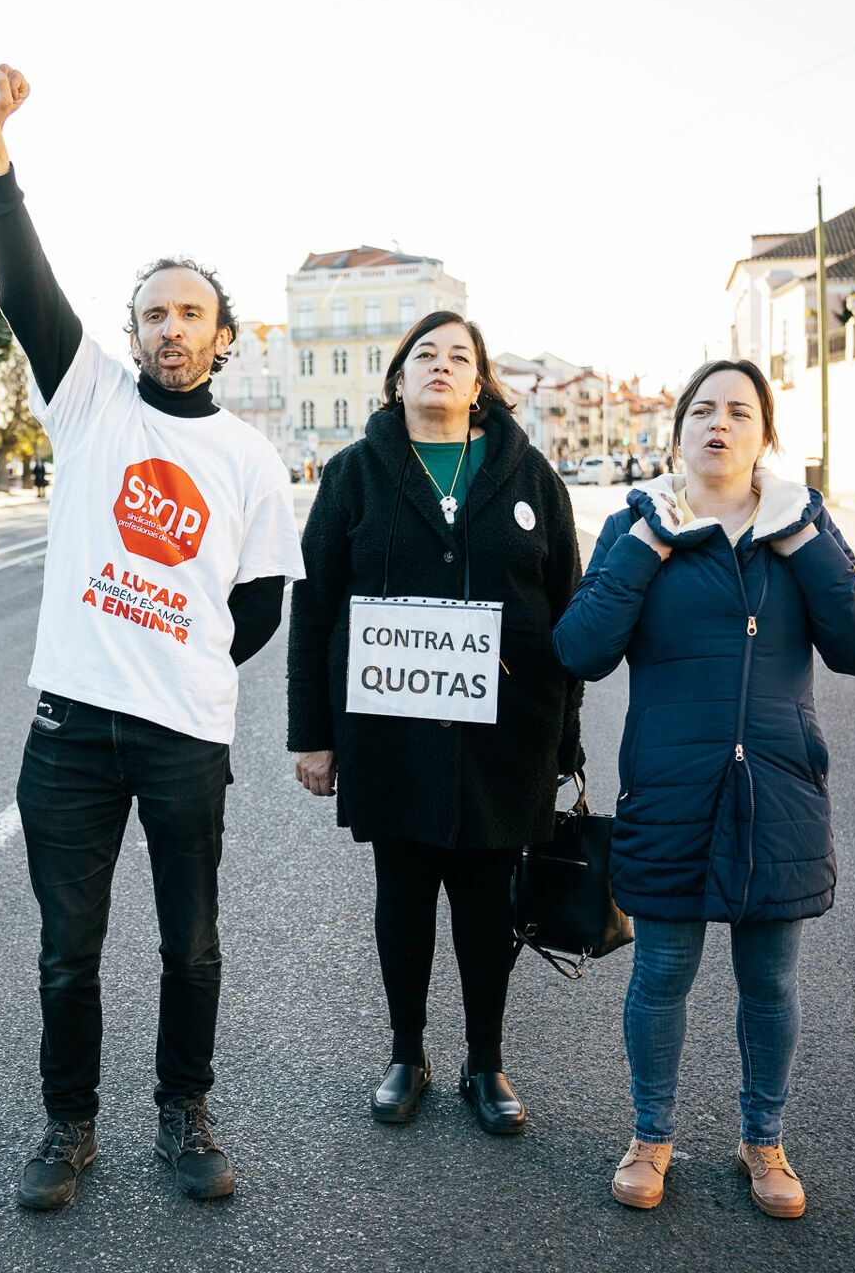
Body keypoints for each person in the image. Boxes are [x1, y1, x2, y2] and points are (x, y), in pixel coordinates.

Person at [0, 62, 304, 1210]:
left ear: (223, 337)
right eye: (153, 312)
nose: (170, 327)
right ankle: (69, 1124)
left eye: (190, 313)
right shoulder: (89, 399)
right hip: (66, 734)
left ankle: (184, 1110)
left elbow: (259, 607)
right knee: (68, 949)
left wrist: (182, 660)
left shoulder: (251, 460)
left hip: (182, 740)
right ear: (133, 333)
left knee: (190, 947)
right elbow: (23, 284)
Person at [552, 360, 855, 1220]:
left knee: (770, 982)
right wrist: (648, 544)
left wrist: (804, 538)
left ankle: (764, 1141)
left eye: (740, 412)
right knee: (662, 971)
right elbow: (580, 646)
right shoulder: (638, 524)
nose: (719, 423)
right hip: (671, 789)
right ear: (675, 436)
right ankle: (651, 1136)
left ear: (764, 436)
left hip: (780, 790)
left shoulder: (802, 526)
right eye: (702, 410)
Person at [287, 312, 582, 1138]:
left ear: (481, 380)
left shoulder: (531, 481)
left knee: (489, 907)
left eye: (461, 356)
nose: (443, 367)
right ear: (399, 378)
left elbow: (569, 611)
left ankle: (484, 1062)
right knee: (404, 897)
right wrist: (312, 734)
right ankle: (406, 1052)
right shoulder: (354, 477)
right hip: (393, 738)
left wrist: (564, 738)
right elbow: (313, 610)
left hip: (503, 738)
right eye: (426, 355)